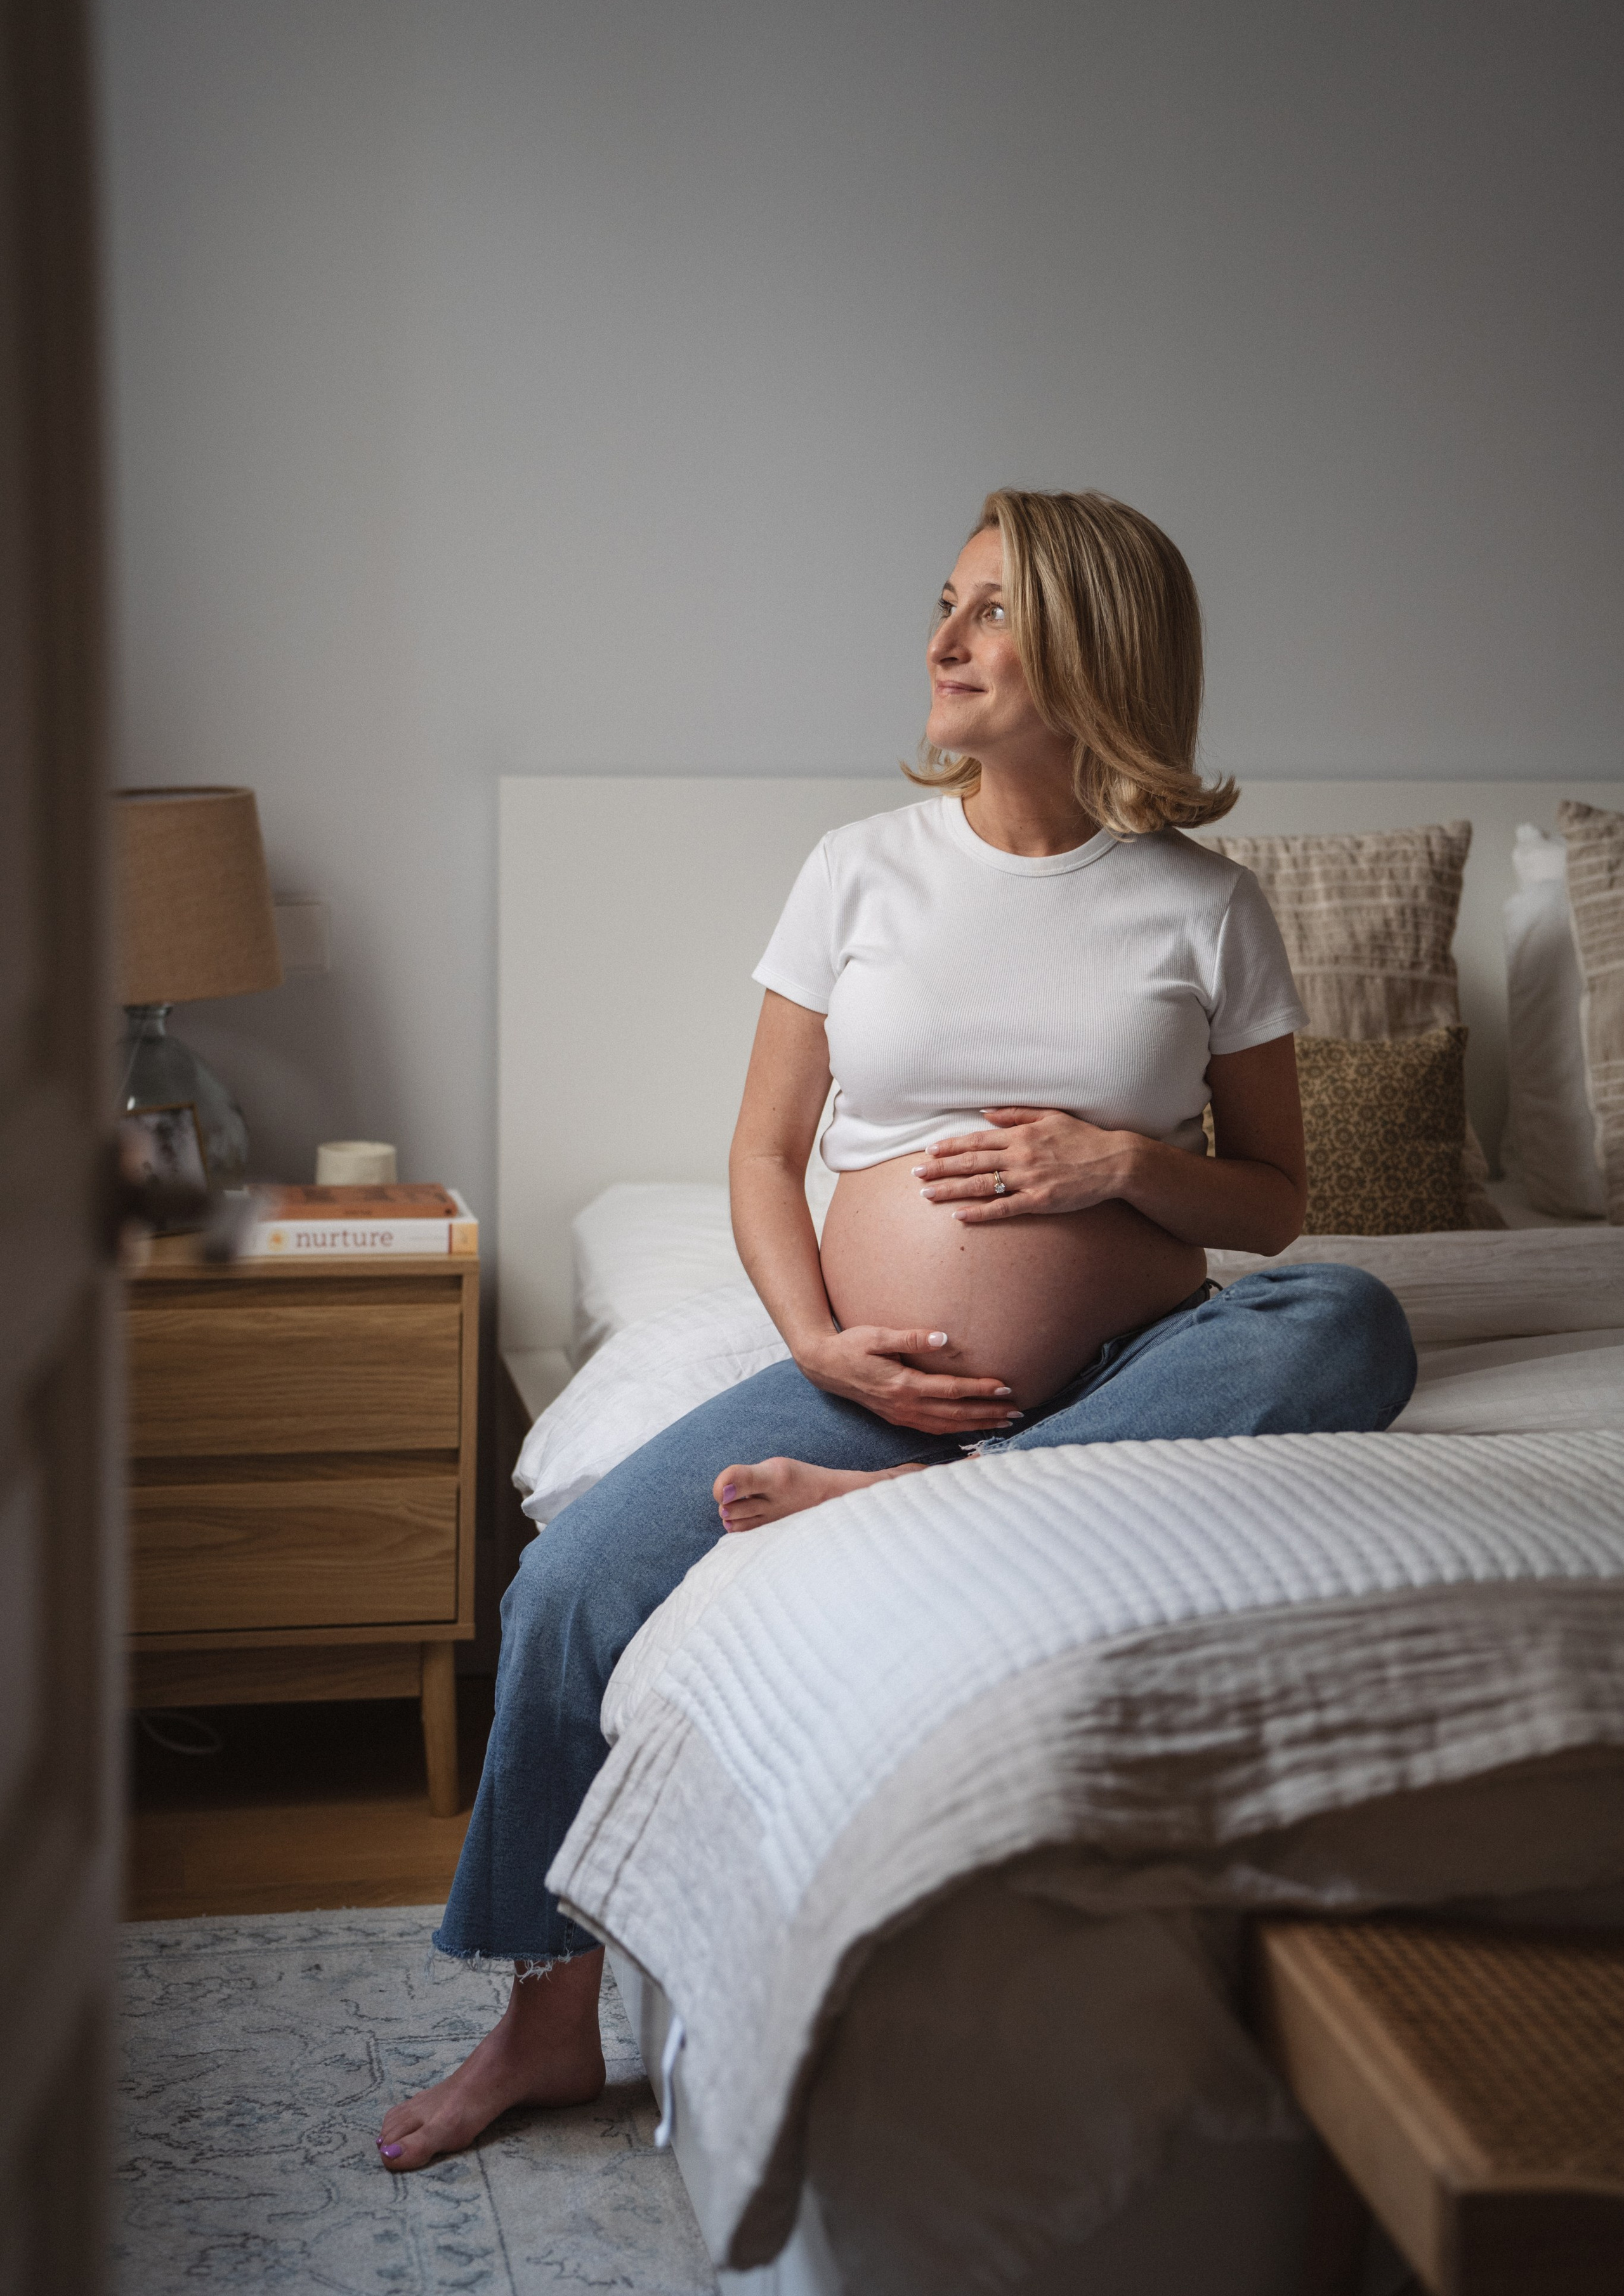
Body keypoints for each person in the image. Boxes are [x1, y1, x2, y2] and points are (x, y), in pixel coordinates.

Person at [376, 488, 1415, 2171]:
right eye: (944, 604)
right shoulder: (855, 871)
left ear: (1095, 652)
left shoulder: (1204, 906)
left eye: (990, 612)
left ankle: (969, 1501)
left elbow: (1276, 1204)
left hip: (1124, 1374)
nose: (940, 641)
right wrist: (819, 1346)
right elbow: (765, 1154)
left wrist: (1125, 1161)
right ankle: (543, 2027)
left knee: (1349, 1322)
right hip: (870, 1391)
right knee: (565, 1588)